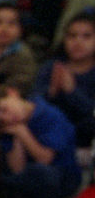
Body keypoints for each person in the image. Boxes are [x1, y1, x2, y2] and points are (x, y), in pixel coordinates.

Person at [0, 84, 81, 198]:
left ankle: (5, 187)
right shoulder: (10, 126)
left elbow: (45, 159)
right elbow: (17, 169)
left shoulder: (50, 115)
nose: (7, 118)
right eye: (1, 121)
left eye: (4, 109)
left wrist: (23, 133)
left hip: (61, 175)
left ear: (13, 93)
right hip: (28, 174)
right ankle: (6, 187)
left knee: (40, 172)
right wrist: (16, 136)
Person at [33, 11, 95, 148]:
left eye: (87, 36)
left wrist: (72, 91)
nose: (78, 41)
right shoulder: (51, 67)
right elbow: (34, 104)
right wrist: (52, 92)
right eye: (72, 36)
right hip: (51, 139)